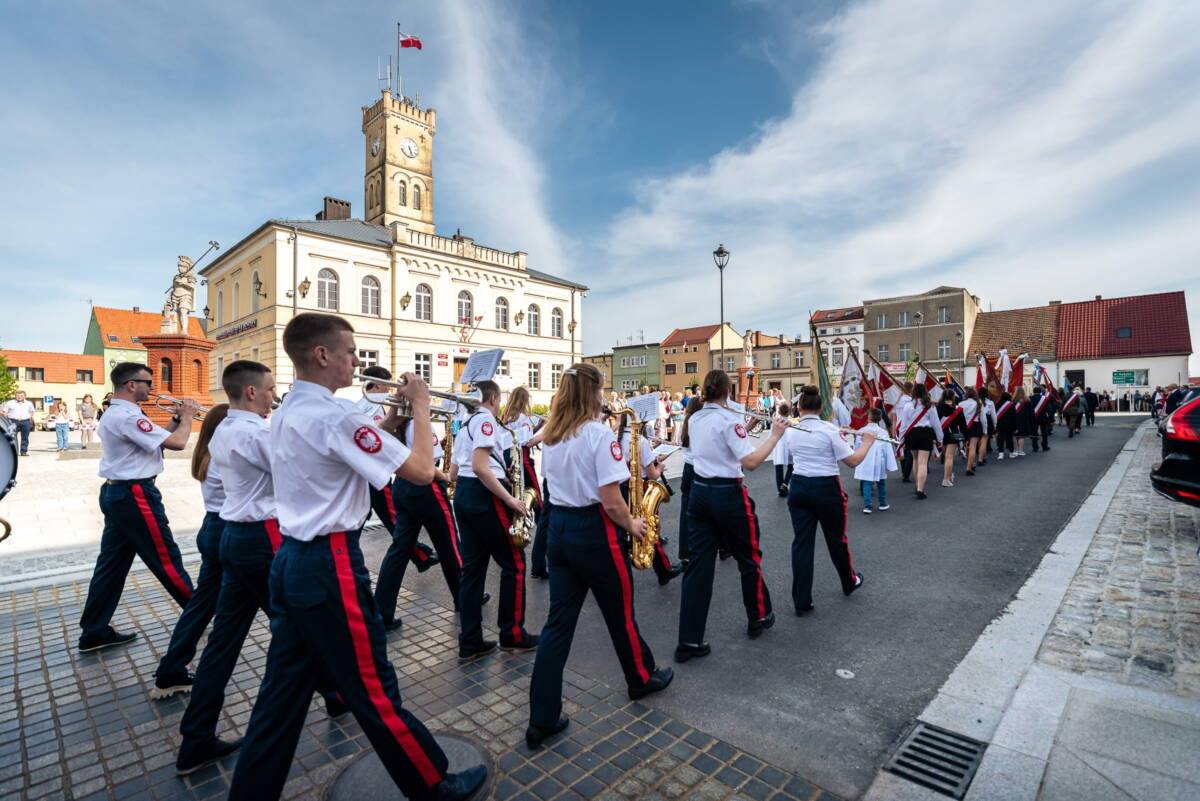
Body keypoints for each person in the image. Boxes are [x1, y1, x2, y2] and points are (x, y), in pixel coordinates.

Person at [226, 313, 486, 801]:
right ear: (322, 355)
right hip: (331, 566)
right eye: (349, 350)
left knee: (279, 698)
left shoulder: (286, 412)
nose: (357, 359)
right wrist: (424, 408)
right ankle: (432, 784)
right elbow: (423, 470)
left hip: (293, 561)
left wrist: (394, 417)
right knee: (373, 686)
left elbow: (352, 447)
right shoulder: (335, 417)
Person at [175, 361, 346, 775]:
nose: (274, 396)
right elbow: (300, 469)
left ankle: (196, 738)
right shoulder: (254, 433)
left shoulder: (225, 430)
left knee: (225, 641)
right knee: (299, 626)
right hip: (262, 536)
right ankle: (336, 693)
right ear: (251, 393)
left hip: (235, 537)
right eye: (270, 390)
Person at [526, 363, 673, 750]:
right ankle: (640, 678)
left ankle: (541, 717)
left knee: (558, 624)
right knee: (620, 613)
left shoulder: (552, 435)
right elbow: (611, 502)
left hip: (558, 528)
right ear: (593, 394)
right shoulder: (598, 436)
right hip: (594, 532)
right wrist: (634, 527)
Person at [77, 363, 199, 652]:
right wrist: (190, 417)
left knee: (111, 567)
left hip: (118, 492)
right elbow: (179, 443)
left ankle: (93, 632)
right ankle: (200, 615)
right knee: (166, 559)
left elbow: (156, 443)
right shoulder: (127, 416)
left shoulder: (118, 413)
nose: (151, 387)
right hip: (135, 494)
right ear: (131, 384)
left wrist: (175, 419)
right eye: (147, 382)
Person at [676, 370, 788, 662]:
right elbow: (750, 462)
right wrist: (775, 435)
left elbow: (720, 442)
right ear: (727, 392)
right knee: (748, 556)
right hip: (727, 493)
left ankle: (689, 639)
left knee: (699, 566)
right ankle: (758, 616)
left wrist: (746, 424)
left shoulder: (696, 417)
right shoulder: (727, 420)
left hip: (700, 493)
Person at [453, 380, 538, 661]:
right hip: (485, 495)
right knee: (514, 563)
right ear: (492, 398)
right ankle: (512, 634)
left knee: (473, 570)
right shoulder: (486, 421)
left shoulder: (464, 424)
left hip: (465, 494)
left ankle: (470, 641)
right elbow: (481, 466)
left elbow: (455, 473)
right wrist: (512, 500)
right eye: (498, 399)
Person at [150, 403, 230, 701]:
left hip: (212, 528)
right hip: (230, 532)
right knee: (283, 609)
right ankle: (332, 685)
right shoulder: (229, 454)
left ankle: (171, 669)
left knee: (201, 605)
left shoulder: (208, 452)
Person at [374, 405, 475, 631]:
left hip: (402, 487)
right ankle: (464, 598)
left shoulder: (394, 426)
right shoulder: (419, 425)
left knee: (399, 550)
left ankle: (382, 610)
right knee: (450, 544)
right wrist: (447, 477)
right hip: (426, 488)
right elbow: (428, 465)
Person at [782, 385, 874, 615]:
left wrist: (838, 433)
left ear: (799, 407)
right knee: (836, 540)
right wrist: (867, 443)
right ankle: (848, 581)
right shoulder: (828, 429)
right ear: (821, 407)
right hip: (826, 488)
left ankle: (802, 601)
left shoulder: (793, 430)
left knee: (802, 544)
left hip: (800, 487)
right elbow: (852, 461)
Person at [358, 366, 441, 573]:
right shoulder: (374, 406)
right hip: (378, 473)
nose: (390, 388)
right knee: (395, 520)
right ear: (377, 384)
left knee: (392, 521)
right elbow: (383, 441)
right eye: (387, 384)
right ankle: (419, 555)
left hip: (370, 474)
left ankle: (420, 556)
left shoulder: (361, 405)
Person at [616, 415, 683, 586]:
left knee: (622, 531)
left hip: (620, 489)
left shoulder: (615, 436)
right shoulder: (640, 440)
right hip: (640, 488)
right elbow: (652, 474)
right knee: (649, 529)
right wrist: (659, 466)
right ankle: (663, 570)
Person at [501, 386, 544, 574]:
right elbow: (526, 441)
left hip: (507, 457)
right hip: (523, 458)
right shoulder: (524, 418)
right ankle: (536, 530)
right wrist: (541, 429)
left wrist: (537, 426)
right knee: (536, 496)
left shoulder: (506, 416)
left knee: (513, 493)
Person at [896, 384, 942, 499]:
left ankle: (917, 486)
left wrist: (901, 438)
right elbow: (936, 423)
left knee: (915, 460)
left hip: (911, 434)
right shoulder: (930, 406)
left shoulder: (908, 406)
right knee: (923, 462)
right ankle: (921, 489)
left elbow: (904, 424)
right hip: (925, 434)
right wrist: (940, 438)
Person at [676, 396, 702, 564]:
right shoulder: (699, 424)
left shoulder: (686, 422)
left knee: (685, 512)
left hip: (687, 468)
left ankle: (685, 552)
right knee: (701, 513)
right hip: (698, 469)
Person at [855, 408, 895, 513]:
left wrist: (856, 457)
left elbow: (857, 446)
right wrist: (889, 464)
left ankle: (867, 506)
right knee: (881, 481)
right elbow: (888, 450)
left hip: (865, 458)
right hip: (879, 460)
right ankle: (882, 503)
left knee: (867, 482)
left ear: (868, 418)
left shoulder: (862, 431)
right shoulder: (883, 432)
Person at [937, 390, 964, 487]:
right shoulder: (958, 409)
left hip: (941, 434)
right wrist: (964, 437)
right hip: (954, 434)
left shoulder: (938, 407)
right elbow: (963, 425)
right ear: (953, 397)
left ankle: (949, 474)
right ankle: (946, 479)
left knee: (946, 457)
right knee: (950, 457)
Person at [1, 389, 35, 456]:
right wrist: (6, 417)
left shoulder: (29, 403)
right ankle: (13, 452)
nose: (19, 397)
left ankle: (23, 451)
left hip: (25, 421)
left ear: (25, 396)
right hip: (12, 422)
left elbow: (32, 411)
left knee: (25, 437)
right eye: (18, 395)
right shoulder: (10, 403)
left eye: (21, 395)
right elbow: (5, 412)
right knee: (12, 437)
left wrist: (29, 417)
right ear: (15, 396)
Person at [772, 402, 794, 498]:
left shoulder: (776, 422)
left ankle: (780, 488)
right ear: (789, 412)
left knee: (778, 467)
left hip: (778, 445)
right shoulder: (790, 423)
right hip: (788, 446)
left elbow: (771, 435)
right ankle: (785, 483)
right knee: (792, 465)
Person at [960, 387, 984, 476]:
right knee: (973, 447)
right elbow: (983, 418)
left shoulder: (961, 404)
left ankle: (970, 464)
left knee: (967, 446)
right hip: (975, 425)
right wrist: (985, 428)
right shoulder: (978, 403)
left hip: (964, 426)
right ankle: (969, 467)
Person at [1030, 385, 1054, 452]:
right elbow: (1049, 410)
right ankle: (1044, 446)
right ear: (1040, 391)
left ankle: (1035, 447)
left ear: (1033, 391)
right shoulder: (1045, 399)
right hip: (1043, 418)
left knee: (1034, 432)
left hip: (1033, 418)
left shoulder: (1030, 398)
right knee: (1044, 433)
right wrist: (1052, 419)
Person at [994, 391, 1016, 459]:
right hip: (1009, 424)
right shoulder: (1011, 404)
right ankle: (1011, 453)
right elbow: (1014, 416)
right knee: (1009, 438)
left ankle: (1001, 454)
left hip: (1000, 424)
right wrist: (1015, 426)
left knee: (1001, 438)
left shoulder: (997, 404)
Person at [1011, 387, 1030, 456]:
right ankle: (1021, 450)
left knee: (1014, 435)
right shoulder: (1027, 400)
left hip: (1014, 419)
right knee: (1021, 435)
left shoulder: (1013, 400)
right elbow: (1029, 412)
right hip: (1023, 420)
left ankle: (1015, 450)